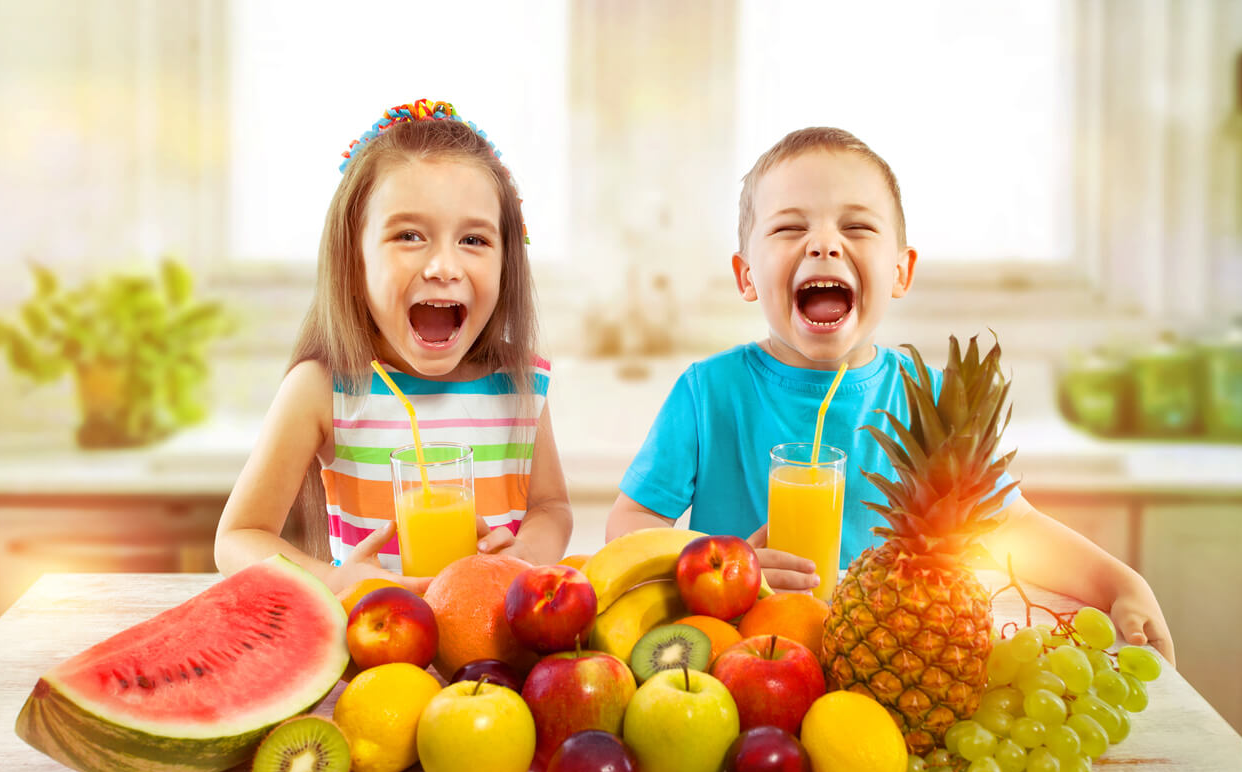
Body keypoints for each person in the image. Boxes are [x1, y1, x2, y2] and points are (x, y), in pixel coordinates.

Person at [606, 126, 1175, 665]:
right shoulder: (708, 393)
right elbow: (632, 522)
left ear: (901, 271)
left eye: (856, 227)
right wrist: (728, 568)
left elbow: (1012, 526)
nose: (824, 244)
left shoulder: (933, 405)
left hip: (897, 667)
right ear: (746, 275)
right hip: (741, 670)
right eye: (789, 229)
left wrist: (1120, 584)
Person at [216, 99, 571, 596]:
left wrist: (527, 552)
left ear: (506, 261)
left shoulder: (521, 384)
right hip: (375, 637)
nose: (444, 267)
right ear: (353, 257)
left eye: (473, 240)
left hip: (495, 635)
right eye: (409, 235)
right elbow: (238, 538)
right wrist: (334, 580)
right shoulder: (324, 389)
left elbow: (552, 508)